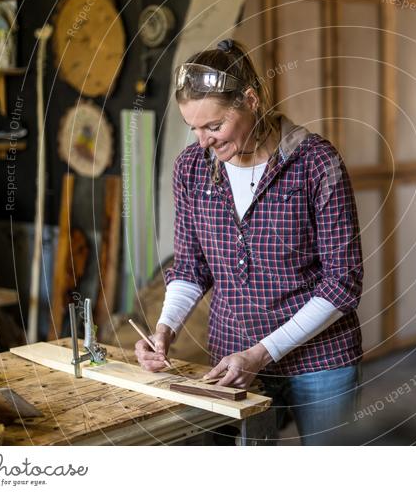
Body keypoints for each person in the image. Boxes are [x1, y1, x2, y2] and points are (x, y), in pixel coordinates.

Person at [134, 38, 364, 445]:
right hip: (232, 356)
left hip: (322, 358)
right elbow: (190, 267)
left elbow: (342, 283)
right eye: (194, 128)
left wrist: (263, 352)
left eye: (214, 125)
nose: (203, 141)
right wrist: (165, 328)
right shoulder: (191, 169)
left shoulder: (315, 163)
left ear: (252, 100)